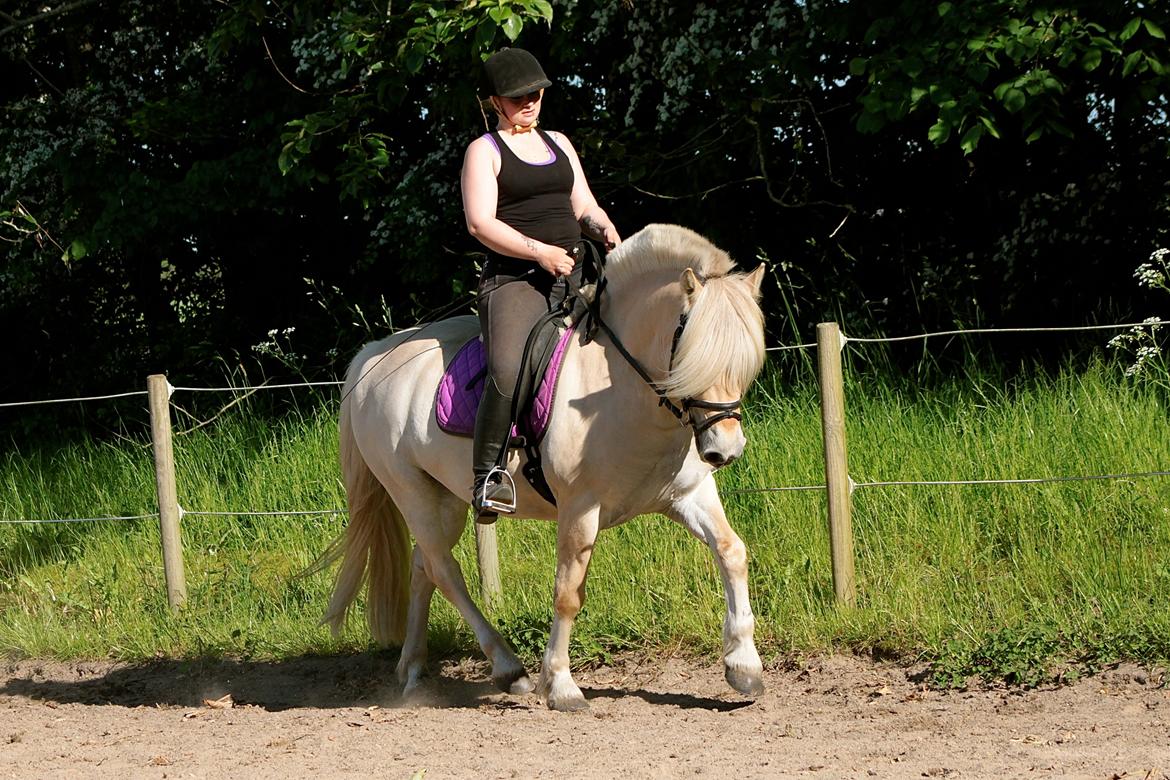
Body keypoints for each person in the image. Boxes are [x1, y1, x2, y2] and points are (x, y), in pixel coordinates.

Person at [461, 46, 622, 523]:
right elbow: (479, 224)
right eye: (517, 98)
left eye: (534, 94)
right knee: (509, 368)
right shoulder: (484, 152)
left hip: (576, 271)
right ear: (495, 103)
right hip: (516, 281)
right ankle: (486, 477)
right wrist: (540, 252)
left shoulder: (560, 143)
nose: (529, 103)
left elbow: (583, 204)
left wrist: (607, 230)